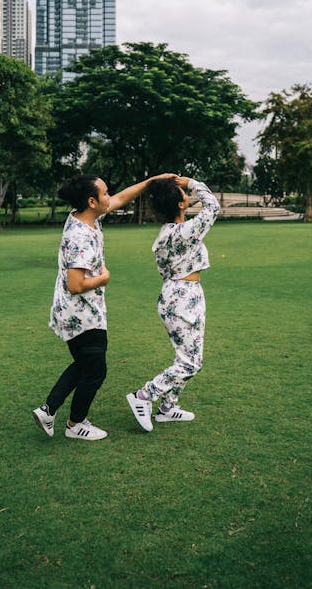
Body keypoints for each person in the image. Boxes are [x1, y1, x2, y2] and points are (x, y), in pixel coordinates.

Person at [33, 172, 175, 441]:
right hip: (81, 314)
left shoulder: (86, 217)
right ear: (91, 201)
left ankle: (48, 410)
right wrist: (103, 278)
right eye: (104, 193)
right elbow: (75, 284)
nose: (110, 197)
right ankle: (75, 424)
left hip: (83, 311)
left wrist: (151, 181)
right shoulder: (80, 237)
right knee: (96, 371)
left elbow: (121, 198)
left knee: (85, 364)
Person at [126, 175, 220, 432]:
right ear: (180, 204)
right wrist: (191, 182)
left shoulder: (168, 232)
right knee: (191, 363)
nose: (186, 194)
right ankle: (144, 395)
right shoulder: (185, 231)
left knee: (187, 357)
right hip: (182, 297)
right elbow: (213, 207)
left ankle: (168, 408)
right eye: (182, 193)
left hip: (181, 294)